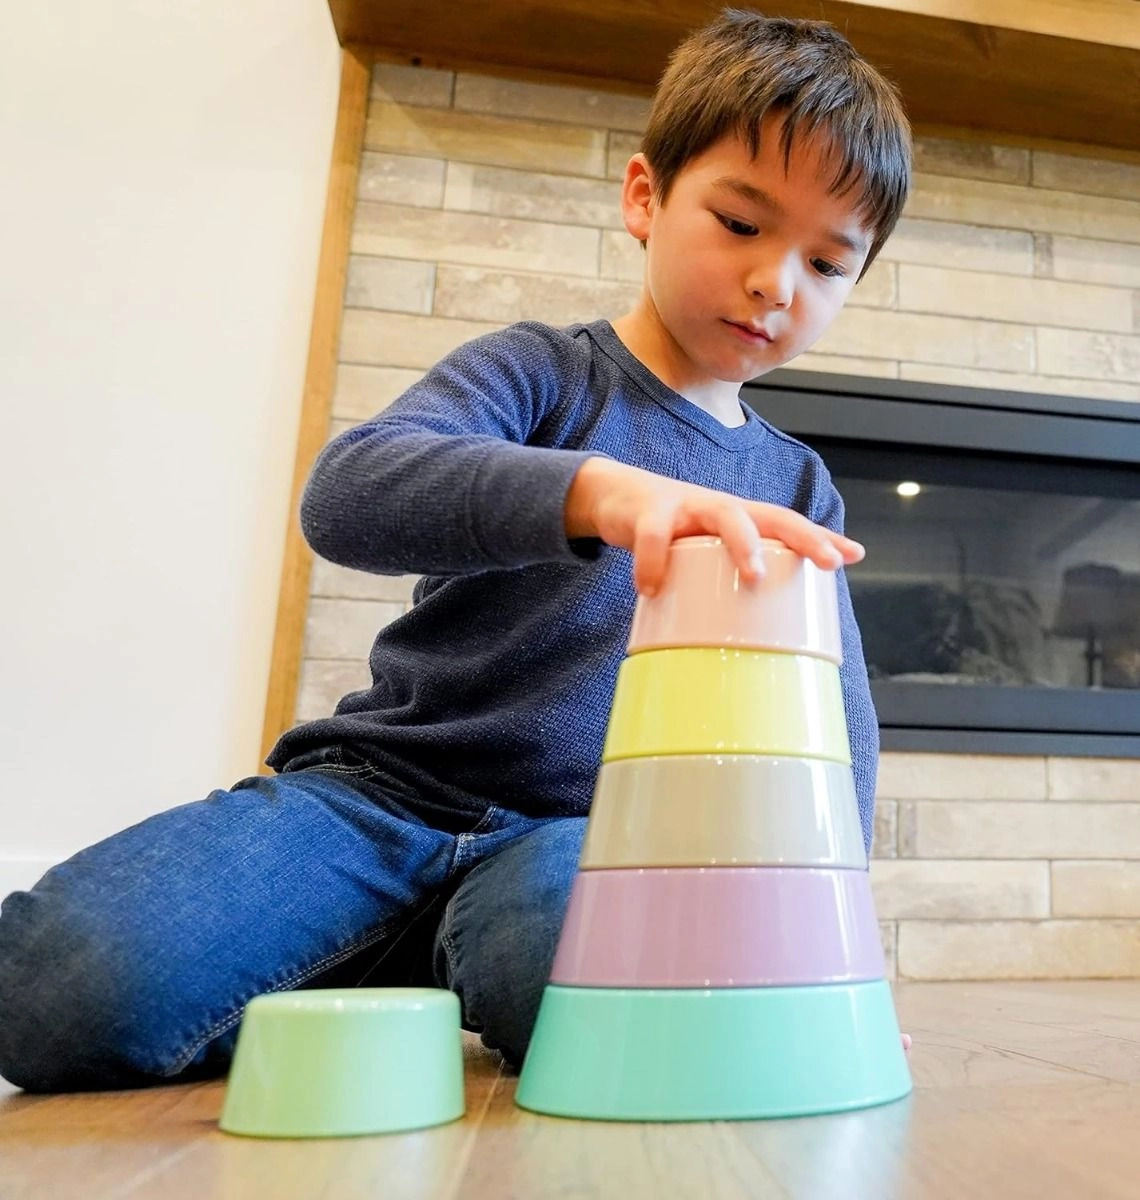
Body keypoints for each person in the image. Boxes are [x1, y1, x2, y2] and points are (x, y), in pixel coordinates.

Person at [0, 8, 911, 1092]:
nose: (777, 283)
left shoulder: (799, 486)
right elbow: (350, 494)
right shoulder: (537, 374)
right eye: (741, 223)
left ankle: (429, 966)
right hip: (378, 799)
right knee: (55, 985)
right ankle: (371, 958)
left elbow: (835, 722)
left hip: (586, 842)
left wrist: (827, 966)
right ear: (644, 197)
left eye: (827, 262)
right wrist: (600, 493)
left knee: (618, 975)